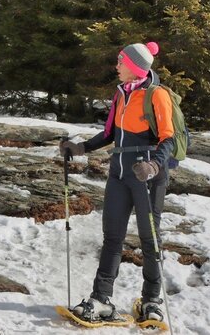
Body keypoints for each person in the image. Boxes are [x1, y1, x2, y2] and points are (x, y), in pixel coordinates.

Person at [60, 41, 172, 325]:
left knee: (149, 240)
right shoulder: (121, 94)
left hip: (147, 176)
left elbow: (168, 138)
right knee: (112, 238)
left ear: (135, 67)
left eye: (121, 62)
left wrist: (154, 165)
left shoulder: (156, 95)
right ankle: (101, 300)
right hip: (119, 174)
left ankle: (151, 300)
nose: (117, 66)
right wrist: (80, 148)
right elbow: (109, 133)